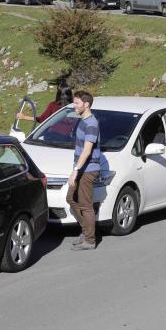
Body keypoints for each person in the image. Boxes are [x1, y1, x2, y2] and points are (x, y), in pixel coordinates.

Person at [67, 90, 102, 251]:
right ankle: (86, 230)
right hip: (81, 168)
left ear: (86, 105)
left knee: (86, 205)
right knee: (71, 199)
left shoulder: (91, 124)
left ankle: (89, 240)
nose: (74, 105)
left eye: (77, 103)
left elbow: (87, 151)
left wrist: (75, 170)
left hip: (88, 170)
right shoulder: (83, 120)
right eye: (74, 102)